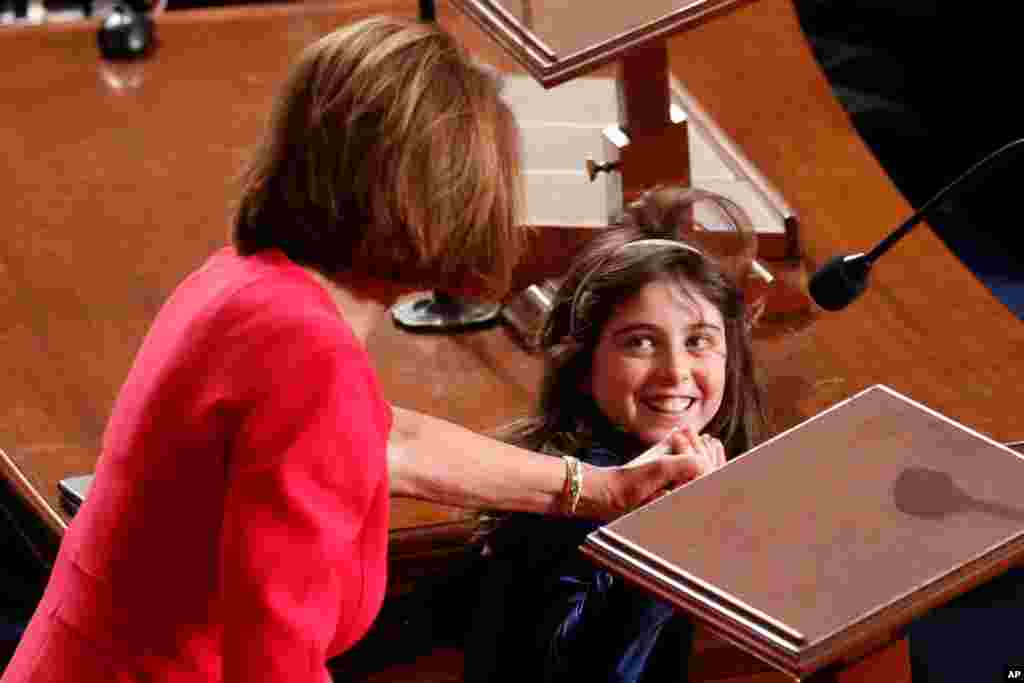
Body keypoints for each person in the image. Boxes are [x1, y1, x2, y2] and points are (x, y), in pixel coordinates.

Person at [2, 17, 704, 683]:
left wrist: (601, 486)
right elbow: (274, 662)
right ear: (433, 200)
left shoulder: (249, 282)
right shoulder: (308, 359)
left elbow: (389, 437)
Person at [466, 187, 769, 683]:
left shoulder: (744, 473)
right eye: (641, 342)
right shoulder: (552, 512)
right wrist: (673, 535)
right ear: (582, 364)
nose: (676, 372)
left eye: (699, 341)